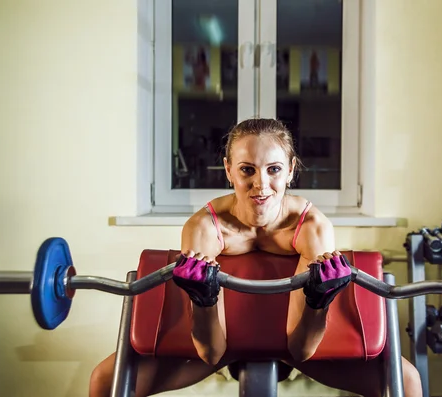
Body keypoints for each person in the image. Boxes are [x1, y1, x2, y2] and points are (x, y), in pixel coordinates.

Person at [89, 118, 422, 397]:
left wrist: (318, 301)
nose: (260, 185)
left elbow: (301, 349)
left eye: (273, 169)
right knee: (104, 381)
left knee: (406, 382)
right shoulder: (205, 227)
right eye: (247, 170)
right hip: (223, 343)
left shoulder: (312, 227)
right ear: (229, 171)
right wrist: (203, 298)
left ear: (290, 170)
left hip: (295, 343)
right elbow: (210, 351)